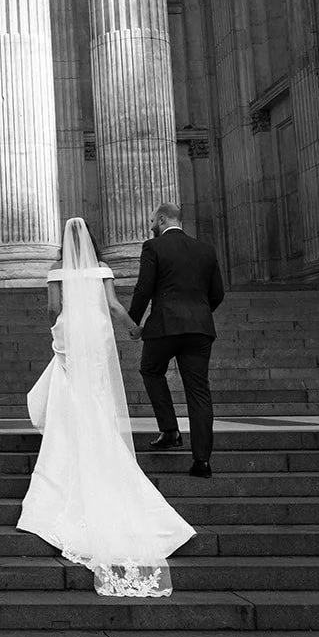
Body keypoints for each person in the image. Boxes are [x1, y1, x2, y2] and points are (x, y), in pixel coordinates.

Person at [18, 217, 196, 598]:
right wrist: (135, 327)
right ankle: (104, 451)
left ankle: (72, 454)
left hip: (70, 333)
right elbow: (113, 306)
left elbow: (52, 309)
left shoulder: (56, 271)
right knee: (97, 395)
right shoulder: (103, 269)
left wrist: (58, 327)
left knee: (71, 394)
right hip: (97, 334)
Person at [128, 202, 225, 478]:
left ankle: (170, 430)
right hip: (199, 329)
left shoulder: (153, 247)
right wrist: (199, 315)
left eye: (152, 221)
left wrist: (134, 323)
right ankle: (202, 461)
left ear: (161, 218)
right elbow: (217, 293)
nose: (150, 227)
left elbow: (144, 288)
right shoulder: (206, 250)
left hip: (164, 327)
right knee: (199, 391)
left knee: (150, 370)